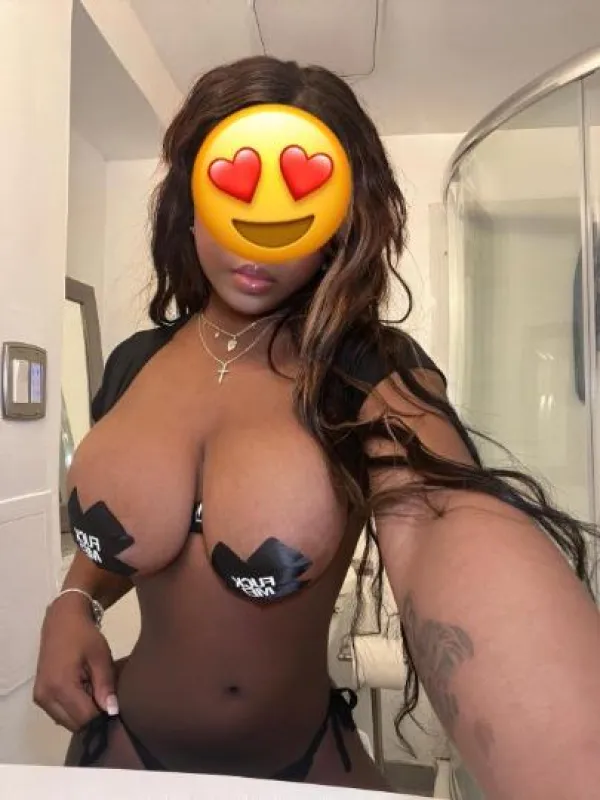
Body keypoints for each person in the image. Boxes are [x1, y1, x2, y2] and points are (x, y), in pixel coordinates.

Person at [34, 56, 600, 798]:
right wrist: (74, 601)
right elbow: (131, 527)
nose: (259, 239)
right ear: (191, 201)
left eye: (300, 202)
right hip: (121, 748)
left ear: (341, 221)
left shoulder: (368, 372)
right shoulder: (133, 363)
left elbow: (439, 525)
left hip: (301, 764)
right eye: (236, 191)